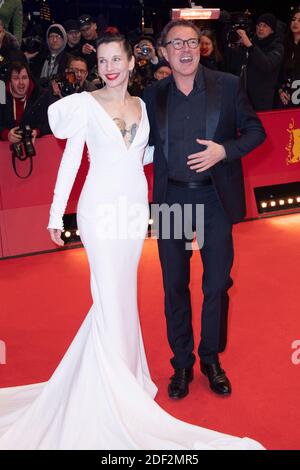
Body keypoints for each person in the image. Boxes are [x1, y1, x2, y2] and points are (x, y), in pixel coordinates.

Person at [0, 33, 264, 450]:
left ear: (130, 61)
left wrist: (220, 153)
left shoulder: (148, 103)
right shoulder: (99, 104)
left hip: (147, 211)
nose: (109, 68)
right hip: (106, 213)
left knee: (138, 295)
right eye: (102, 61)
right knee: (120, 295)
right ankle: (130, 385)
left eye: (115, 59)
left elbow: (140, 154)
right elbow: (73, 157)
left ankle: (157, 370)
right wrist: (55, 213)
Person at [143, 19, 266, 401]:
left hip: (214, 198)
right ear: (163, 51)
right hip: (172, 199)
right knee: (174, 286)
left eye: (192, 42)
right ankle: (182, 362)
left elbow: (256, 131)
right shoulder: (152, 95)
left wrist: (224, 151)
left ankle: (211, 359)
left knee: (216, 285)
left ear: (202, 47)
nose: (185, 50)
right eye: (176, 43)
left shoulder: (227, 85)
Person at [236, 13, 284, 111]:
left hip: (264, 100)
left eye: (265, 26)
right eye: (259, 25)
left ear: (272, 30)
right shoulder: (252, 42)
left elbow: (267, 65)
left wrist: (250, 46)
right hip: (246, 95)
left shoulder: (277, 46)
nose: (260, 28)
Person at [0, 61, 55, 142]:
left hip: (35, 144)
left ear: (29, 78)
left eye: (24, 78)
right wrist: (6, 134)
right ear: (10, 81)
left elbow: (50, 123)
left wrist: (37, 131)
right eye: (16, 78)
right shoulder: (1, 93)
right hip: (5, 145)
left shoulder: (41, 95)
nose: (21, 83)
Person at [277, 8, 300, 108]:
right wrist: (280, 91)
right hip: (284, 96)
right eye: (293, 19)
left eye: (299, 21)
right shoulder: (283, 43)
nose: (295, 23)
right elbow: (276, 71)